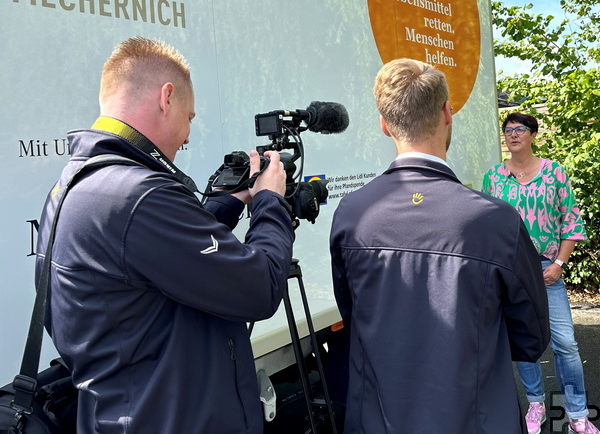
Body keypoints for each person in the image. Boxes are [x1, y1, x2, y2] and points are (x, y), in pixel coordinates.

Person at [36, 37, 295, 434]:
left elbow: (158, 259)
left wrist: (230, 201)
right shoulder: (141, 196)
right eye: (189, 117)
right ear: (166, 97)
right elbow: (261, 286)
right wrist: (269, 202)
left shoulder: (79, 185)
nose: (188, 135)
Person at [329, 58, 550, 434]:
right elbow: (532, 337)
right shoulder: (495, 220)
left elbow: (355, 316)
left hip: (379, 421)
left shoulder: (353, 213)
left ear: (385, 125)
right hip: (474, 418)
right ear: (448, 113)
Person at [482, 112, 598, 434]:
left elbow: (571, 221)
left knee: (566, 343)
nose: (513, 134)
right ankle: (536, 404)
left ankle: (577, 414)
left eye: (520, 129)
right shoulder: (493, 177)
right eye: (508, 130)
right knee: (524, 340)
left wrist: (559, 264)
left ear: (533, 135)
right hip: (511, 272)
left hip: (547, 270)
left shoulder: (554, 173)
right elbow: (488, 226)